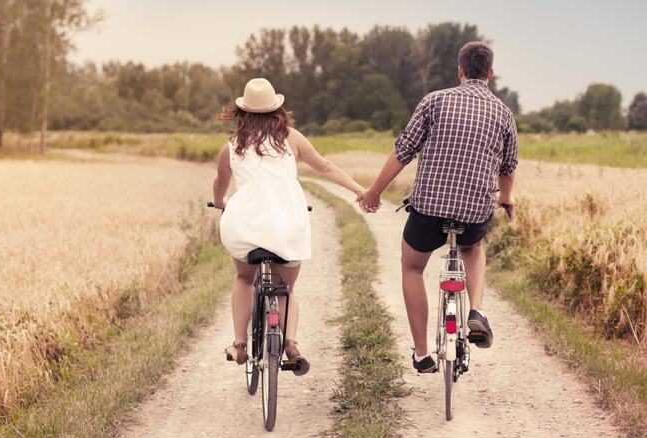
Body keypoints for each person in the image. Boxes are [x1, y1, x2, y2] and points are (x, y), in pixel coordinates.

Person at [358, 41, 518, 373]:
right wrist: (506, 197)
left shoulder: (435, 101)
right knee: (473, 248)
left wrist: (374, 191)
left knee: (412, 267)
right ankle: (475, 311)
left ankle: (421, 354)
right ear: (490, 73)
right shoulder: (504, 112)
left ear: (460, 70)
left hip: (428, 210)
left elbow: (403, 152)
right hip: (474, 213)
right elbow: (508, 167)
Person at [213, 77, 366, 374]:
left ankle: (239, 344)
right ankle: (291, 344)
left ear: (242, 112)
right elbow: (325, 167)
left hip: (244, 226)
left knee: (245, 278)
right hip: (287, 224)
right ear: (277, 111)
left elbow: (219, 184)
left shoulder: (231, 146)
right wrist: (360, 190)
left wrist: (220, 202)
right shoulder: (292, 138)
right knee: (286, 287)